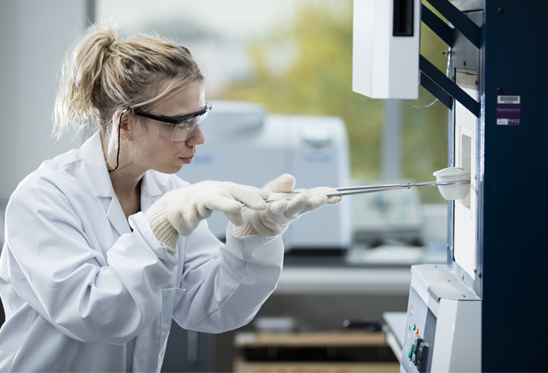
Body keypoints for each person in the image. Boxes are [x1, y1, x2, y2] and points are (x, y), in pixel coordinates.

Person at [0, 24, 341, 372]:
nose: (199, 137)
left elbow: (210, 307)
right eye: (180, 123)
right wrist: (158, 228)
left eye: (200, 116)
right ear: (126, 124)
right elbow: (97, 315)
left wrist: (255, 235)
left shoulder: (168, 193)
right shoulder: (42, 200)